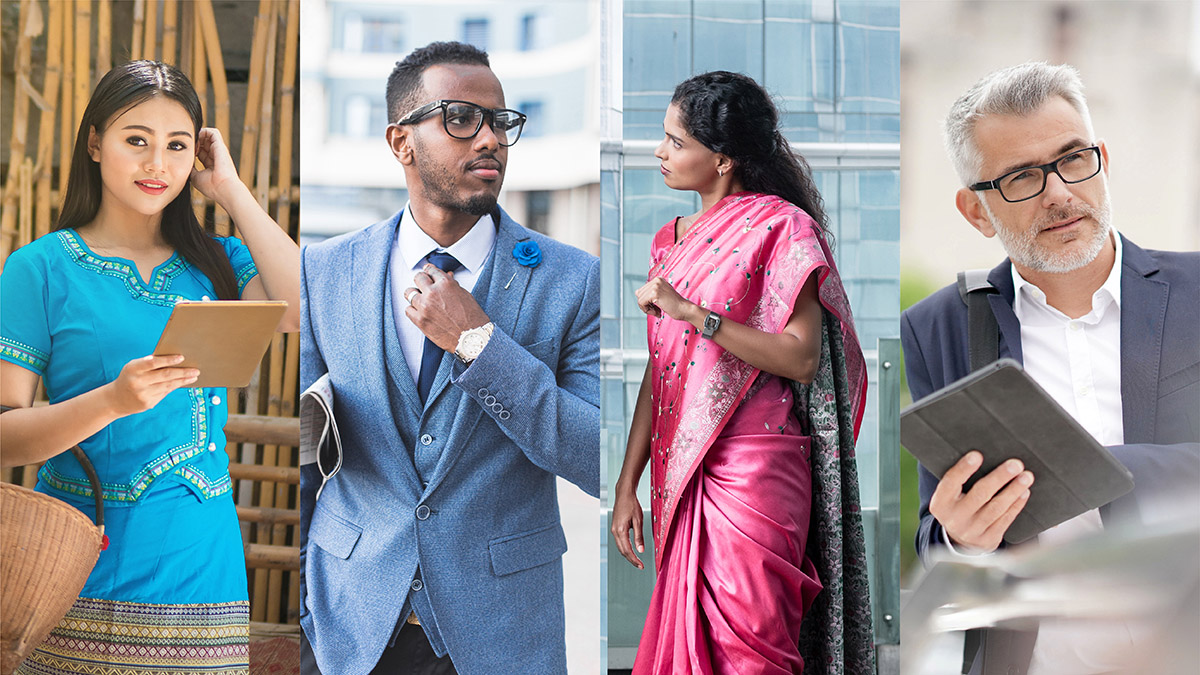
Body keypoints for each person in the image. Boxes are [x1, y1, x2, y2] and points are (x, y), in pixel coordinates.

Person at [298, 41, 599, 675]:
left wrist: (479, 345)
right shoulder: (324, 273)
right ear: (400, 141)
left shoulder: (573, 281)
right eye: (461, 119)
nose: (488, 138)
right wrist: (304, 610)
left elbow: (598, 455)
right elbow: (301, 452)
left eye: (500, 122)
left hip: (502, 632)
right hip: (351, 627)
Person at [0, 60, 300, 674]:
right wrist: (112, 401)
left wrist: (231, 192)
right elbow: (5, 433)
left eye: (177, 145)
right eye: (136, 140)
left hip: (201, 562)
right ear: (94, 143)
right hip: (77, 560)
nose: (156, 164)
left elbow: (305, 309)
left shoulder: (220, 261)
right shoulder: (39, 269)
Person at [902, 61, 1200, 675]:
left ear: (1103, 161)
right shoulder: (938, 328)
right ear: (976, 212)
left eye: (1072, 160)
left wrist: (1094, 468)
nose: (1060, 192)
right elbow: (935, 537)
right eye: (1021, 178)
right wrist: (961, 536)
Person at [609, 71, 875, 674]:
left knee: (754, 653)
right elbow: (662, 373)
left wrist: (690, 311)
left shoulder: (782, 227)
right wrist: (626, 483)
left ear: (722, 159)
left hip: (755, 468)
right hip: (683, 470)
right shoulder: (667, 242)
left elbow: (801, 357)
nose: (660, 152)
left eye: (676, 142)